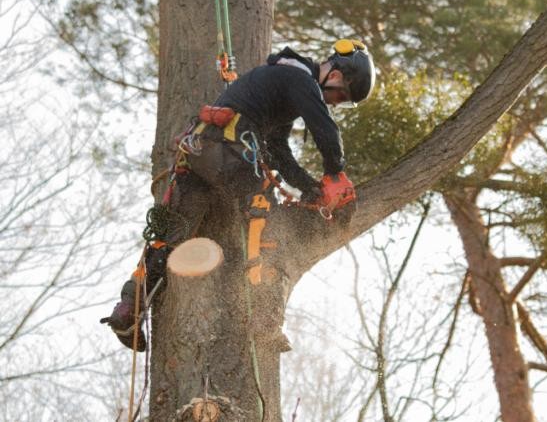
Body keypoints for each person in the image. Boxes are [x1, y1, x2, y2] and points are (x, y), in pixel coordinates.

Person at [101, 39, 376, 351]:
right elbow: (325, 129)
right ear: (338, 77)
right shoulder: (300, 79)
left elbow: (278, 151)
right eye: (340, 97)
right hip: (231, 152)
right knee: (267, 226)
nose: (335, 104)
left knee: (171, 237)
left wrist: (310, 186)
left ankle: (128, 309)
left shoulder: (277, 81)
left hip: (199, 152)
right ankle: (264, 319)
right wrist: (335, 174)